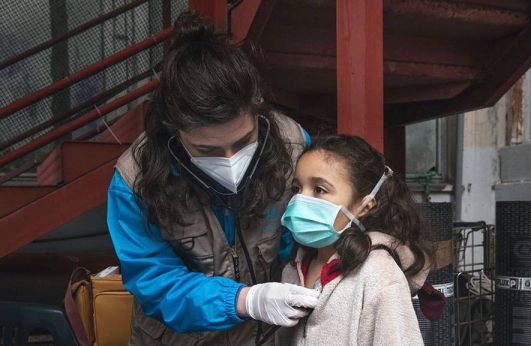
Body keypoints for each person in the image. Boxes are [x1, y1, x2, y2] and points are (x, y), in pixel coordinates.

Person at [106, 10, 319, 346]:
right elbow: (155, 281)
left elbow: (306, 239)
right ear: (173, 131)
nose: (230, 160)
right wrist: (244, 300)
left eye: (243, 142)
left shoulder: (293, 145)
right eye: (207, 150)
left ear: (258, 106)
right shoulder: (135, 180)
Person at [280, 134, 437, 345]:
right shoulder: (291, 270)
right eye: (297, 189)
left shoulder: (378, 272)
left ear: (364, 206)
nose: (300, 200)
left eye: (319, 190)